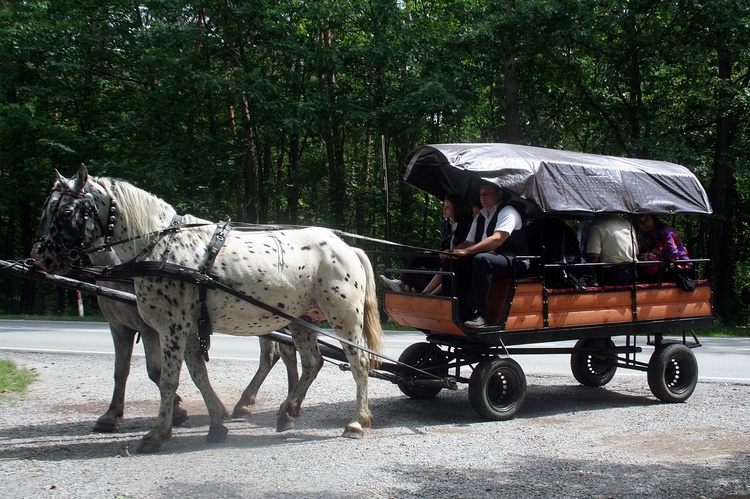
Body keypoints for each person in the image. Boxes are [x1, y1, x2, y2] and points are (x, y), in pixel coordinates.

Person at [447, 183, 529, 329]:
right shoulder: (481, 216)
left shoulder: (508, 212)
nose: (483, 197)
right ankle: (455, 310)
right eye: (481, 193)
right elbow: (468, 241)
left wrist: (467, 251)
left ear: (499, 194)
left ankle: (480, 315)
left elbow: (497, 239)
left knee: (482, 260)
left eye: (488, 193)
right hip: (492, 258)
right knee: (454, 261)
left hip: (514, 260)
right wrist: (452, 252)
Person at [380, 193, 472, 293]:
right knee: (418, 255)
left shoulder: (466, 224)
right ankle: (400, 282)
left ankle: (416, 289)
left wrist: (450, 252)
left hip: (455, 259)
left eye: (448, 207)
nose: (444, 209)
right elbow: (444, 245)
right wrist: (434, 252)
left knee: (436, 271)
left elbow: (466, 244)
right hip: (443, 255)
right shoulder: (445, 224)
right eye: (444, 206)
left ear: (456, 209)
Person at [585, 214, 638, 285]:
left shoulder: (597, 225)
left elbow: (594, 256)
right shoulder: (627, 224)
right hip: (632, 270)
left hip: (611, 273)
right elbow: (636, 251)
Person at [636, 214, 691, 281]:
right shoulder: (647, 233)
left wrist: (655, 251)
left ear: (654, 219)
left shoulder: (666, 232)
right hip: (659, 267)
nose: (644, 224)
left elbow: (674, 257)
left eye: (647, 220)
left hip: (679, 267)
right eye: (640, 221)